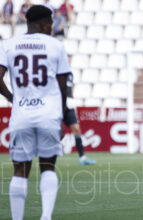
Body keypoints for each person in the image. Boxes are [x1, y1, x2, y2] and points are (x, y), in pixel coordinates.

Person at [0, 5, 69, 220]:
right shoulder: (56, 45)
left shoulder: (8, 45)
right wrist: (64, 118)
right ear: (43, 23)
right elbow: (63, 84)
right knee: (48, 165)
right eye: (50, 23)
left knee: (20, 170)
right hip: (49, 114)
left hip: (21, 114)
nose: (52, 26)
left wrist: (13, 99)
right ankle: (46, 216)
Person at [63, 73, 96, 166]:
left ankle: (82, 158)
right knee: (57, 132)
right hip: (58, 105)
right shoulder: (56, 71)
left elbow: (71, 89)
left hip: (69, 105)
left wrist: (73, 101)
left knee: (77, 130)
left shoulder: (70, 74)